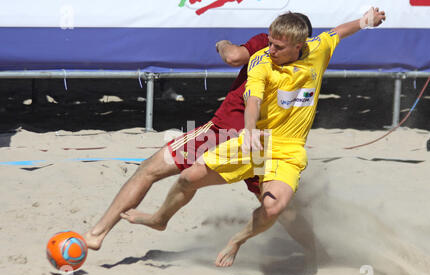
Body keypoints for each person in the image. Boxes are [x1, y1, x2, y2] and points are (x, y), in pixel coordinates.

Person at [120, 8, 387, 268]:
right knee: (188, 178)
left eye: (279, 47)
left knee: (274, 209)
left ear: (299, 45)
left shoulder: (318, 50)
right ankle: (159, 219)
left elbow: (339, 32)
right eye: (270, 43)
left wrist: (367, 20)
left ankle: (239, 241)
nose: (271, 50)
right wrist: (248, 130)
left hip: (288, 151)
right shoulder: (261, 62)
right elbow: (253, 100)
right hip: (255, 142)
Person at [84, 13, 314, 257]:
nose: (272, 45)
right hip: (263, 143)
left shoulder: (266, 43)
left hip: (226, 131)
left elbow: (233, 56)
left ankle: (97, 234)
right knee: (275, 206)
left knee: (149, 170)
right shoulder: (311, 57)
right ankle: (319, 254)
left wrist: (221, 43)